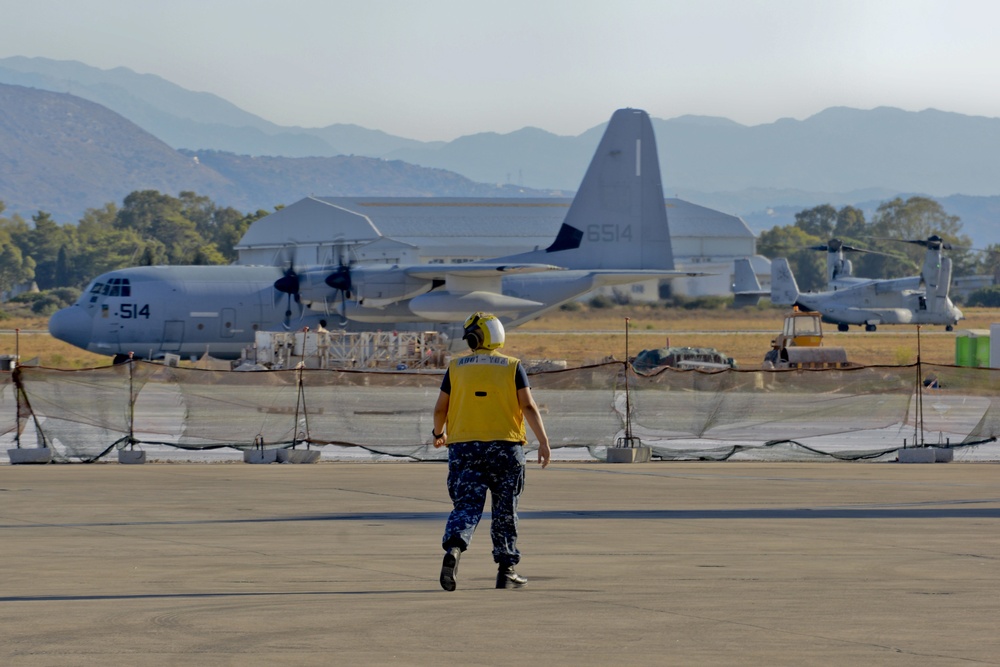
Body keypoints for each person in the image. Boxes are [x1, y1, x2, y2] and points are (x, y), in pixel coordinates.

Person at [432, 312, 550, 591]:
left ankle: (455, 549)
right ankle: (506, 570)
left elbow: (440, 408)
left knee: (466, 506)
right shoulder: (512, 366)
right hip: (505, 448)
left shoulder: (456, 366)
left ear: (473, 339)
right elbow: (529, 407)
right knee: (505, 510)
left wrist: (439, 434)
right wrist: (543, 442)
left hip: (464, 448)